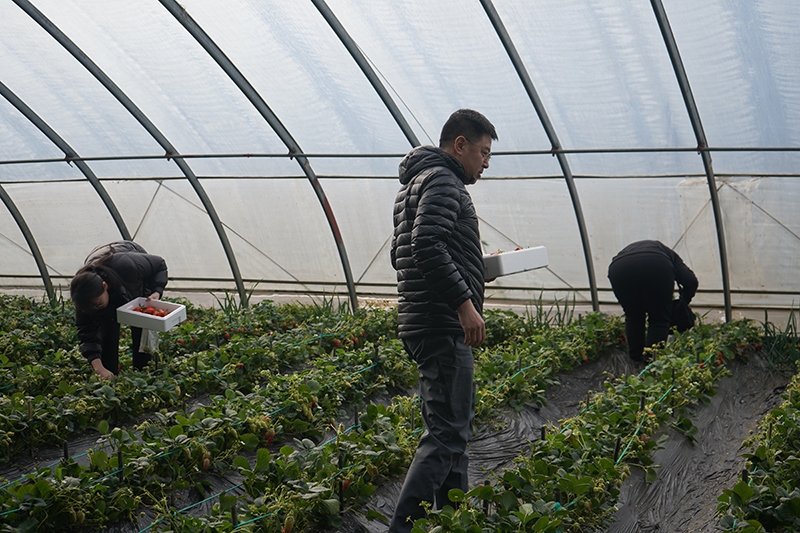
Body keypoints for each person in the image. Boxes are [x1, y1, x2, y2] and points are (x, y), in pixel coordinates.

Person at [389, 109, 497, 532]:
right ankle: (404, 527)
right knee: (447, 434)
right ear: (460, 145)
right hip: (441, 323)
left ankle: (453, 519)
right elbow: (426, 245)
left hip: (423, 319)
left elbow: (405, 253)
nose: (486, 162)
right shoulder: (444, 181)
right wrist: (464, 304)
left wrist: (472, 264)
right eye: (484, 152)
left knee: (453, 429)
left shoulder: (414, 184)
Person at [69, 241, 168, 379]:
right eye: (91, 307)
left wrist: (156, 291)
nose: (95, 307)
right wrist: (99, 368)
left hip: (130, 261)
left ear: (104, 286)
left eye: (97, 303)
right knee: (107, 326)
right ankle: (111, 375)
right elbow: (87, 333)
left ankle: (143, 372)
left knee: (140, 321)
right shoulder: (83, 294)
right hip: (102, 263)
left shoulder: (128, 267)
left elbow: (159, 264)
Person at [608, 240, 698, 362]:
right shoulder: (669, 255)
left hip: (619, 268)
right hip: (657, 264)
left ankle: (635, 361)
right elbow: (690, 281)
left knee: (634, 317)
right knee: (659, 319)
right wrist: (681, 303)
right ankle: (652, 363)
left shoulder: (656, 249)